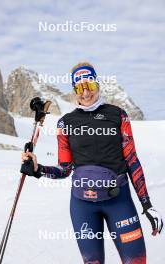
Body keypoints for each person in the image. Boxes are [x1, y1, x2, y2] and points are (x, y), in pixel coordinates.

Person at [21, 62, 163, 264]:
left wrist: (147, 204)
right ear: (74, 90)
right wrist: (37, 169)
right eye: (79, 88)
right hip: (83, 206)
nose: (85, 92)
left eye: (90, 85)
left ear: (97, 84)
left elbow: (131, 160)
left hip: (119, 202)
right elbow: (64, 170)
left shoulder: (118, 115)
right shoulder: (65, 123)